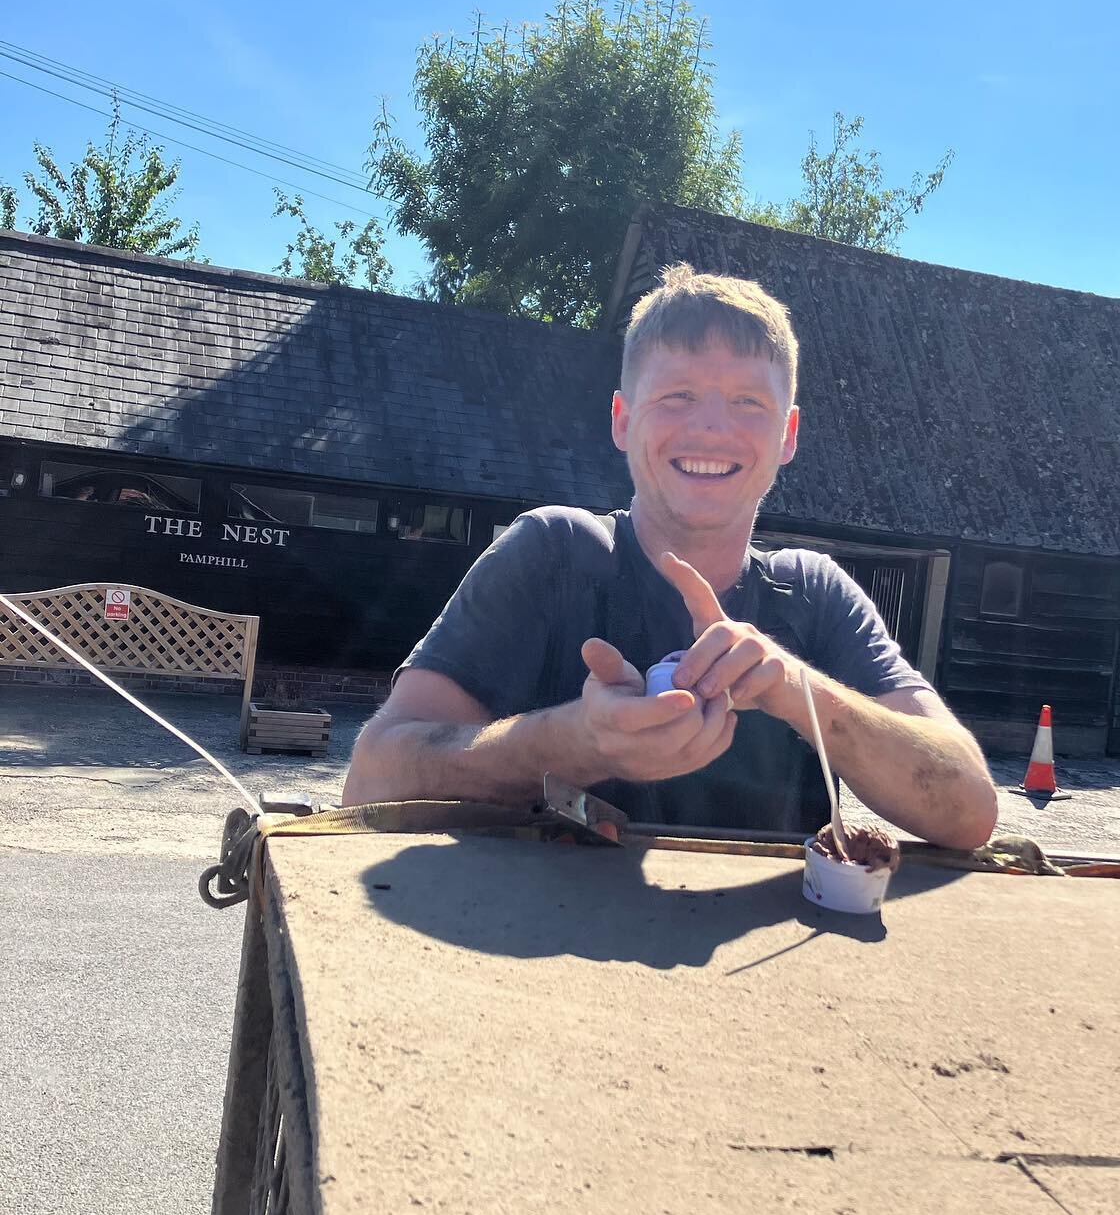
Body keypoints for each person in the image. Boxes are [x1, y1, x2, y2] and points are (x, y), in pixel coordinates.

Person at [343, 264, 997, 848]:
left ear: (788, 434)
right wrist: (576, 742)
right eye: (678, 395)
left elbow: (969, 811)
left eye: (747, 402)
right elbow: (372, 780)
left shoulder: (817, 596)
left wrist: (792, 688)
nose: (711, 427)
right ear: (623, 420)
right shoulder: (551, 553)